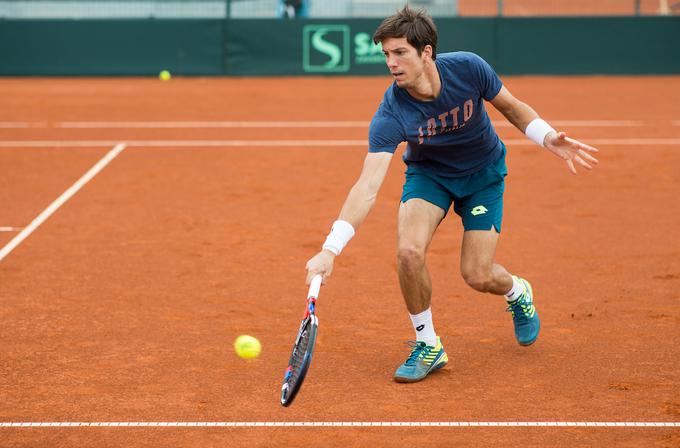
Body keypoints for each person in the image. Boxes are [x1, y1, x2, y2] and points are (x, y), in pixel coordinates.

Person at [305, 6, 599, 383]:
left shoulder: (468, 68)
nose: (391, 63)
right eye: (386, 55)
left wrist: (548, 137)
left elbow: (511, 107)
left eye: (400, 53)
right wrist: (331, 249)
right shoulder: (391, 112)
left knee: (477, 275)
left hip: (483, 175)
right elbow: (367, 185)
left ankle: (517, 292)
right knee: (408, 252)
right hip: (430, 177)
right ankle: (427, 344)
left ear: (426, 52)